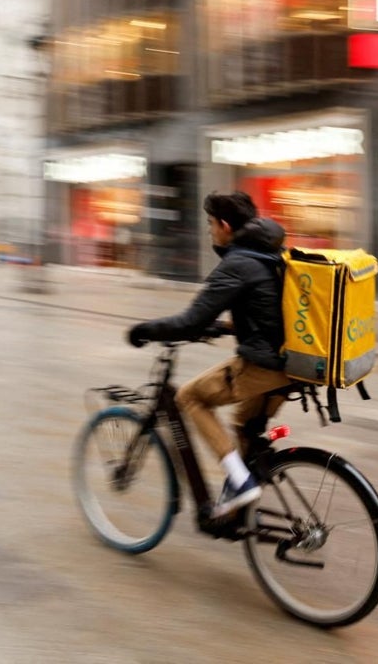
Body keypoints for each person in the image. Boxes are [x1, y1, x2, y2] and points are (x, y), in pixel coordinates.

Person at [127, 191, 289, 518]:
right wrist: (225, 327)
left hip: (264, 366)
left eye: (211, 224)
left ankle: (241, 484)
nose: (210, 231)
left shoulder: (238, 263)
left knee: (189, 397)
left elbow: (188, 322)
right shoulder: (271, 253)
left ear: (225, 226)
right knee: (243, 425)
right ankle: (236, 515)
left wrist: (145, 330)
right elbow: (267, 309)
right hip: (292, 365)